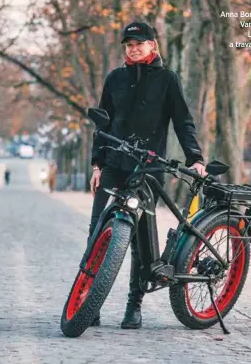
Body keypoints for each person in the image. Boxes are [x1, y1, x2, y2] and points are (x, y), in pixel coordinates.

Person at [88, 21, 206, 329]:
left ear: (152, 45)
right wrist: (97, 166)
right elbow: (102, 126)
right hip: (114, 165)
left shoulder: (168, 80)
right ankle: (90, 301)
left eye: (139, 43)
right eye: (128, 44)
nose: (133, 48)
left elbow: (183, 121)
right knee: (97, 232)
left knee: (141, 242)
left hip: (149, 169)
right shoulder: (114, 79)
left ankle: (134, 305)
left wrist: (196, 158)